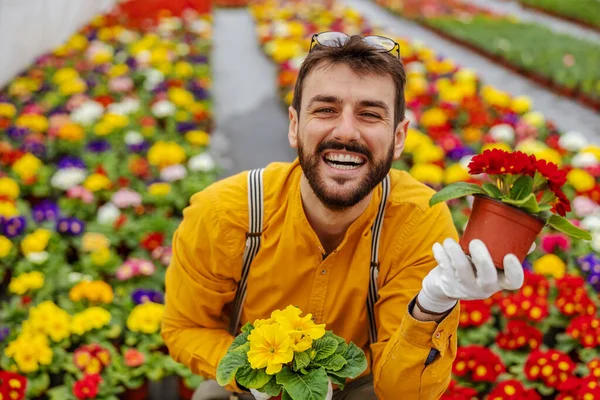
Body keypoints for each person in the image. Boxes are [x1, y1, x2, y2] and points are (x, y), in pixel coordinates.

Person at [161, 32, 525, 400]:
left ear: (398, 137)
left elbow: (404, 393)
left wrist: (431, 306)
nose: (346, 131)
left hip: (360, 386)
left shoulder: (418, 220)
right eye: (325, 110)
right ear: (293, 125)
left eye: (369, 114)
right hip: (252, 382)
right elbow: (186, 328)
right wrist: (260, 378)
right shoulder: (224, 213)